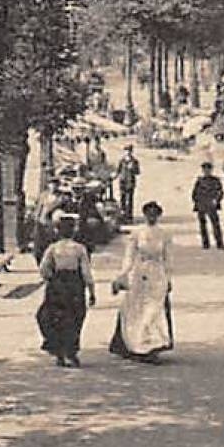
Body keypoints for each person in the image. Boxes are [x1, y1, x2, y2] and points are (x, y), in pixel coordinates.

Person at [111, 201, 174, 362]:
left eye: (155, 214)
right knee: (136, 308)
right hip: (139, 272)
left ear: (159, 215)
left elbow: (168, 258)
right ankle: (135, 344)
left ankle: (153, 346)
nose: (151, 217)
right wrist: (123, 274)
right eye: (149, 214)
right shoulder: (137, 233)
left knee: (154, 309)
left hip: (157, 273)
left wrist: (168, 278)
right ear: (145, 214)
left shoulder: (164, 234)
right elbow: (129, 256)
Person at [37, 213, 96, 368]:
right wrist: (92, 291)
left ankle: (58, 350)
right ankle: (71, 351)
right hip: (75, 285)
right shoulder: (79, 249)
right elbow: (86, 272)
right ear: (73, 231)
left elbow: (43, 269)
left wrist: (51, 278)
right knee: (75, 318)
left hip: (57, 285)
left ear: (58, 231)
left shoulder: (53, 249)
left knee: (55, 317)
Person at [191, 161, 224, 250]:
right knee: (203, 226)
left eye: (208, 169)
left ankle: (219, 243)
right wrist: (197, 202)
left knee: (215, 225)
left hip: (211, 205)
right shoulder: (199, 181)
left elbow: (220, 192)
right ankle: (205, 243)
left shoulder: (215, 181)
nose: (206, 171)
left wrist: (216, 200)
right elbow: (194, 193)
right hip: (201, 205)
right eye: (204, 169)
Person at [115, 145, 141, 223]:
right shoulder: (122, 161)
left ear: (131, 152)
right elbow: (118, 171)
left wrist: (133, 168)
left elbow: (138, 172)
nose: (128, 152)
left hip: (130, 182)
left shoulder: (134, 161)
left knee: (129, 200)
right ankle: (123, 215)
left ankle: (129, 217)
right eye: (126, 151)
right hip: (122, 182)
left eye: (129, 151)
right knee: (122, 199)